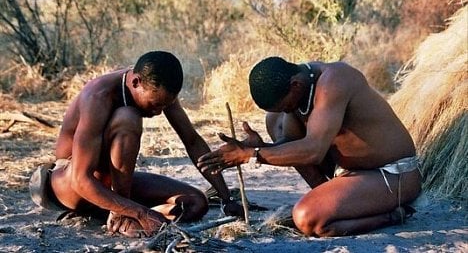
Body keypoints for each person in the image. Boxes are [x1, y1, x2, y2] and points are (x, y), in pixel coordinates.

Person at [198, 57, 422, 237]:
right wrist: (261, 147)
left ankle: (391, 216)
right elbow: (294, 146)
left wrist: (252, 155)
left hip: (392, 175)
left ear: (295, 85)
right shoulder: (302, 86)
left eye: (287, 106)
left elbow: (313, 150)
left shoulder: (335, 81)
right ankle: (330, 200)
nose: (288, 111)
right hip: (353, 175)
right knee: (273, 121)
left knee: (306, 218)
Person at [29, 51, 241, 238]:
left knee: (196, 203)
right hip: (69, 185)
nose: (158, 112)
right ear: (136, 82)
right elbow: (80, 179)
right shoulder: (99, 96)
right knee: (128, 117)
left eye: (165, 105)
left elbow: (192, 141)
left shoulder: (159, 88)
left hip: (109, 185)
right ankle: (123, 214)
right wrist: (141, 212)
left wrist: (226, 197)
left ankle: (116, 210)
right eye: (155, 105)